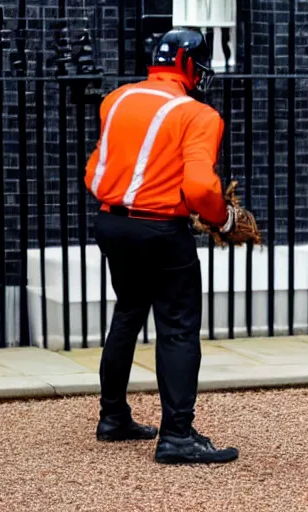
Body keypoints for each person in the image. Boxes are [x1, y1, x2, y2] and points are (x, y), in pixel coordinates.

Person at [84, 27, 239, 465]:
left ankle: (113, 417)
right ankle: (177, 435)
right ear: (190, 66)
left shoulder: (116, 99)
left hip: (112, 223)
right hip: (160, 232)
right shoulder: (199, 114)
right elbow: (199, 186)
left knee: (129, 311)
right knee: (178, 327)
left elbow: (95, 168)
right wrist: (222, 219)